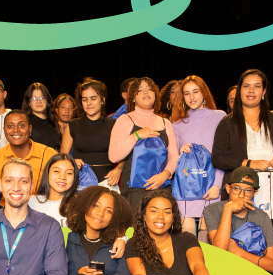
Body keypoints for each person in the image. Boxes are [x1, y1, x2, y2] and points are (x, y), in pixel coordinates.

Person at [212, 69, 273, 201]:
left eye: (257, 86)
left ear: (264, 92)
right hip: (241, 189)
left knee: (272, 223)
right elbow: (217, 159)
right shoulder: (227, 122)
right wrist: (249, 163)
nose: (251, 90)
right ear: (240, 92)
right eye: (246, 86)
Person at [108, 77, 179, 213]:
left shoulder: (165, 123)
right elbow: (113, 155)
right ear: (133, 98)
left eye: (149, 89)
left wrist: (165, 174)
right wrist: (137, 135)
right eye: (140, 90)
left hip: (162, 186)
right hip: (135, 189)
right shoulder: (125, 120)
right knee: (136, 231)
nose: (146, 92)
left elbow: (174, 156)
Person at [171, 75, 226, 238]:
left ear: (204, 93)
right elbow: (173, 158)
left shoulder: (219, 116)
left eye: (195, 91)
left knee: (207, 234)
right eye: (187, 93)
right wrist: (180, 152)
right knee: (187, 236)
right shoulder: (177, 124)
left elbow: (223, 154)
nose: (191, 97)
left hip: (210, 185)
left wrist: (217, 184)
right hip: (186, 186)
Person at [203, 167, 273, 274]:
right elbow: (219, 249)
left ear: (254, 193)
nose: (241, 195)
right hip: (223, 273)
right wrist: (228, 209)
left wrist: (240, 253)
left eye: (248, 190)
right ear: (228, 189)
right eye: (237, 188)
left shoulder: (262, 217)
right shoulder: (213, 210)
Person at [59, 78, 123, 185]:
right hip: (79, 181)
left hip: (107, 181)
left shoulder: (114, 124)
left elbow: (124, 154)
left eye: (93, 98)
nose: (89, 103)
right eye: (85, 99)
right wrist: (72, 162)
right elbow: (63, 156)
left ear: (102, 100)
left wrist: (118, 169)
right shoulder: (72, 125)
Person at [0, 110, 57, 198]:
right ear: (4, 130)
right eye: (10, 126)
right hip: (7, 210)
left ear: (30, 129)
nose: (16, 130)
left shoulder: (49, 155)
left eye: (21, 125)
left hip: (42, 208)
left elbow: (58, 192)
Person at [28, 154, 79, 227]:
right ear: (47, 173)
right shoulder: (31, 202)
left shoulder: (80, 205)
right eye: (57, 171)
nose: (62, 177)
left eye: (69, 173)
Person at [21, 82, 60, 150]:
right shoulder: (25, 123)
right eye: (34, 98)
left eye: (42, 98)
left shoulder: (54, 122)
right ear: (29, 103)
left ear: (47, 100)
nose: (39, 101)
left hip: (52, 159)